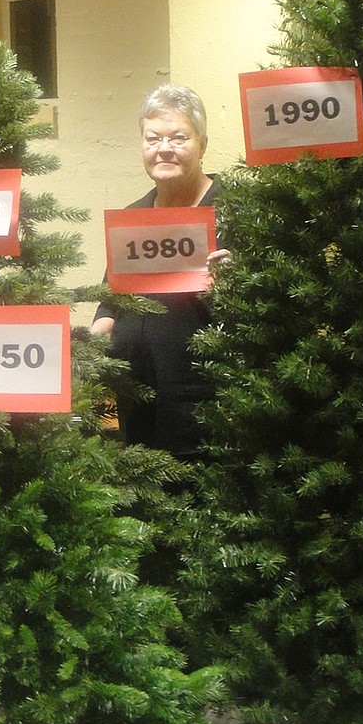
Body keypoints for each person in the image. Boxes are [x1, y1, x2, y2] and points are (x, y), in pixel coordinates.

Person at [92, 83, 228, 459]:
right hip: (137, 399)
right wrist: (93, 337)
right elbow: (112, 300)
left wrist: (234, 283)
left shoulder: (233, 210)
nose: (163, 148)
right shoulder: (134, 217)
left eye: (178, 137)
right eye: (152, 138)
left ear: (202, 144)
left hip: (207, 401)